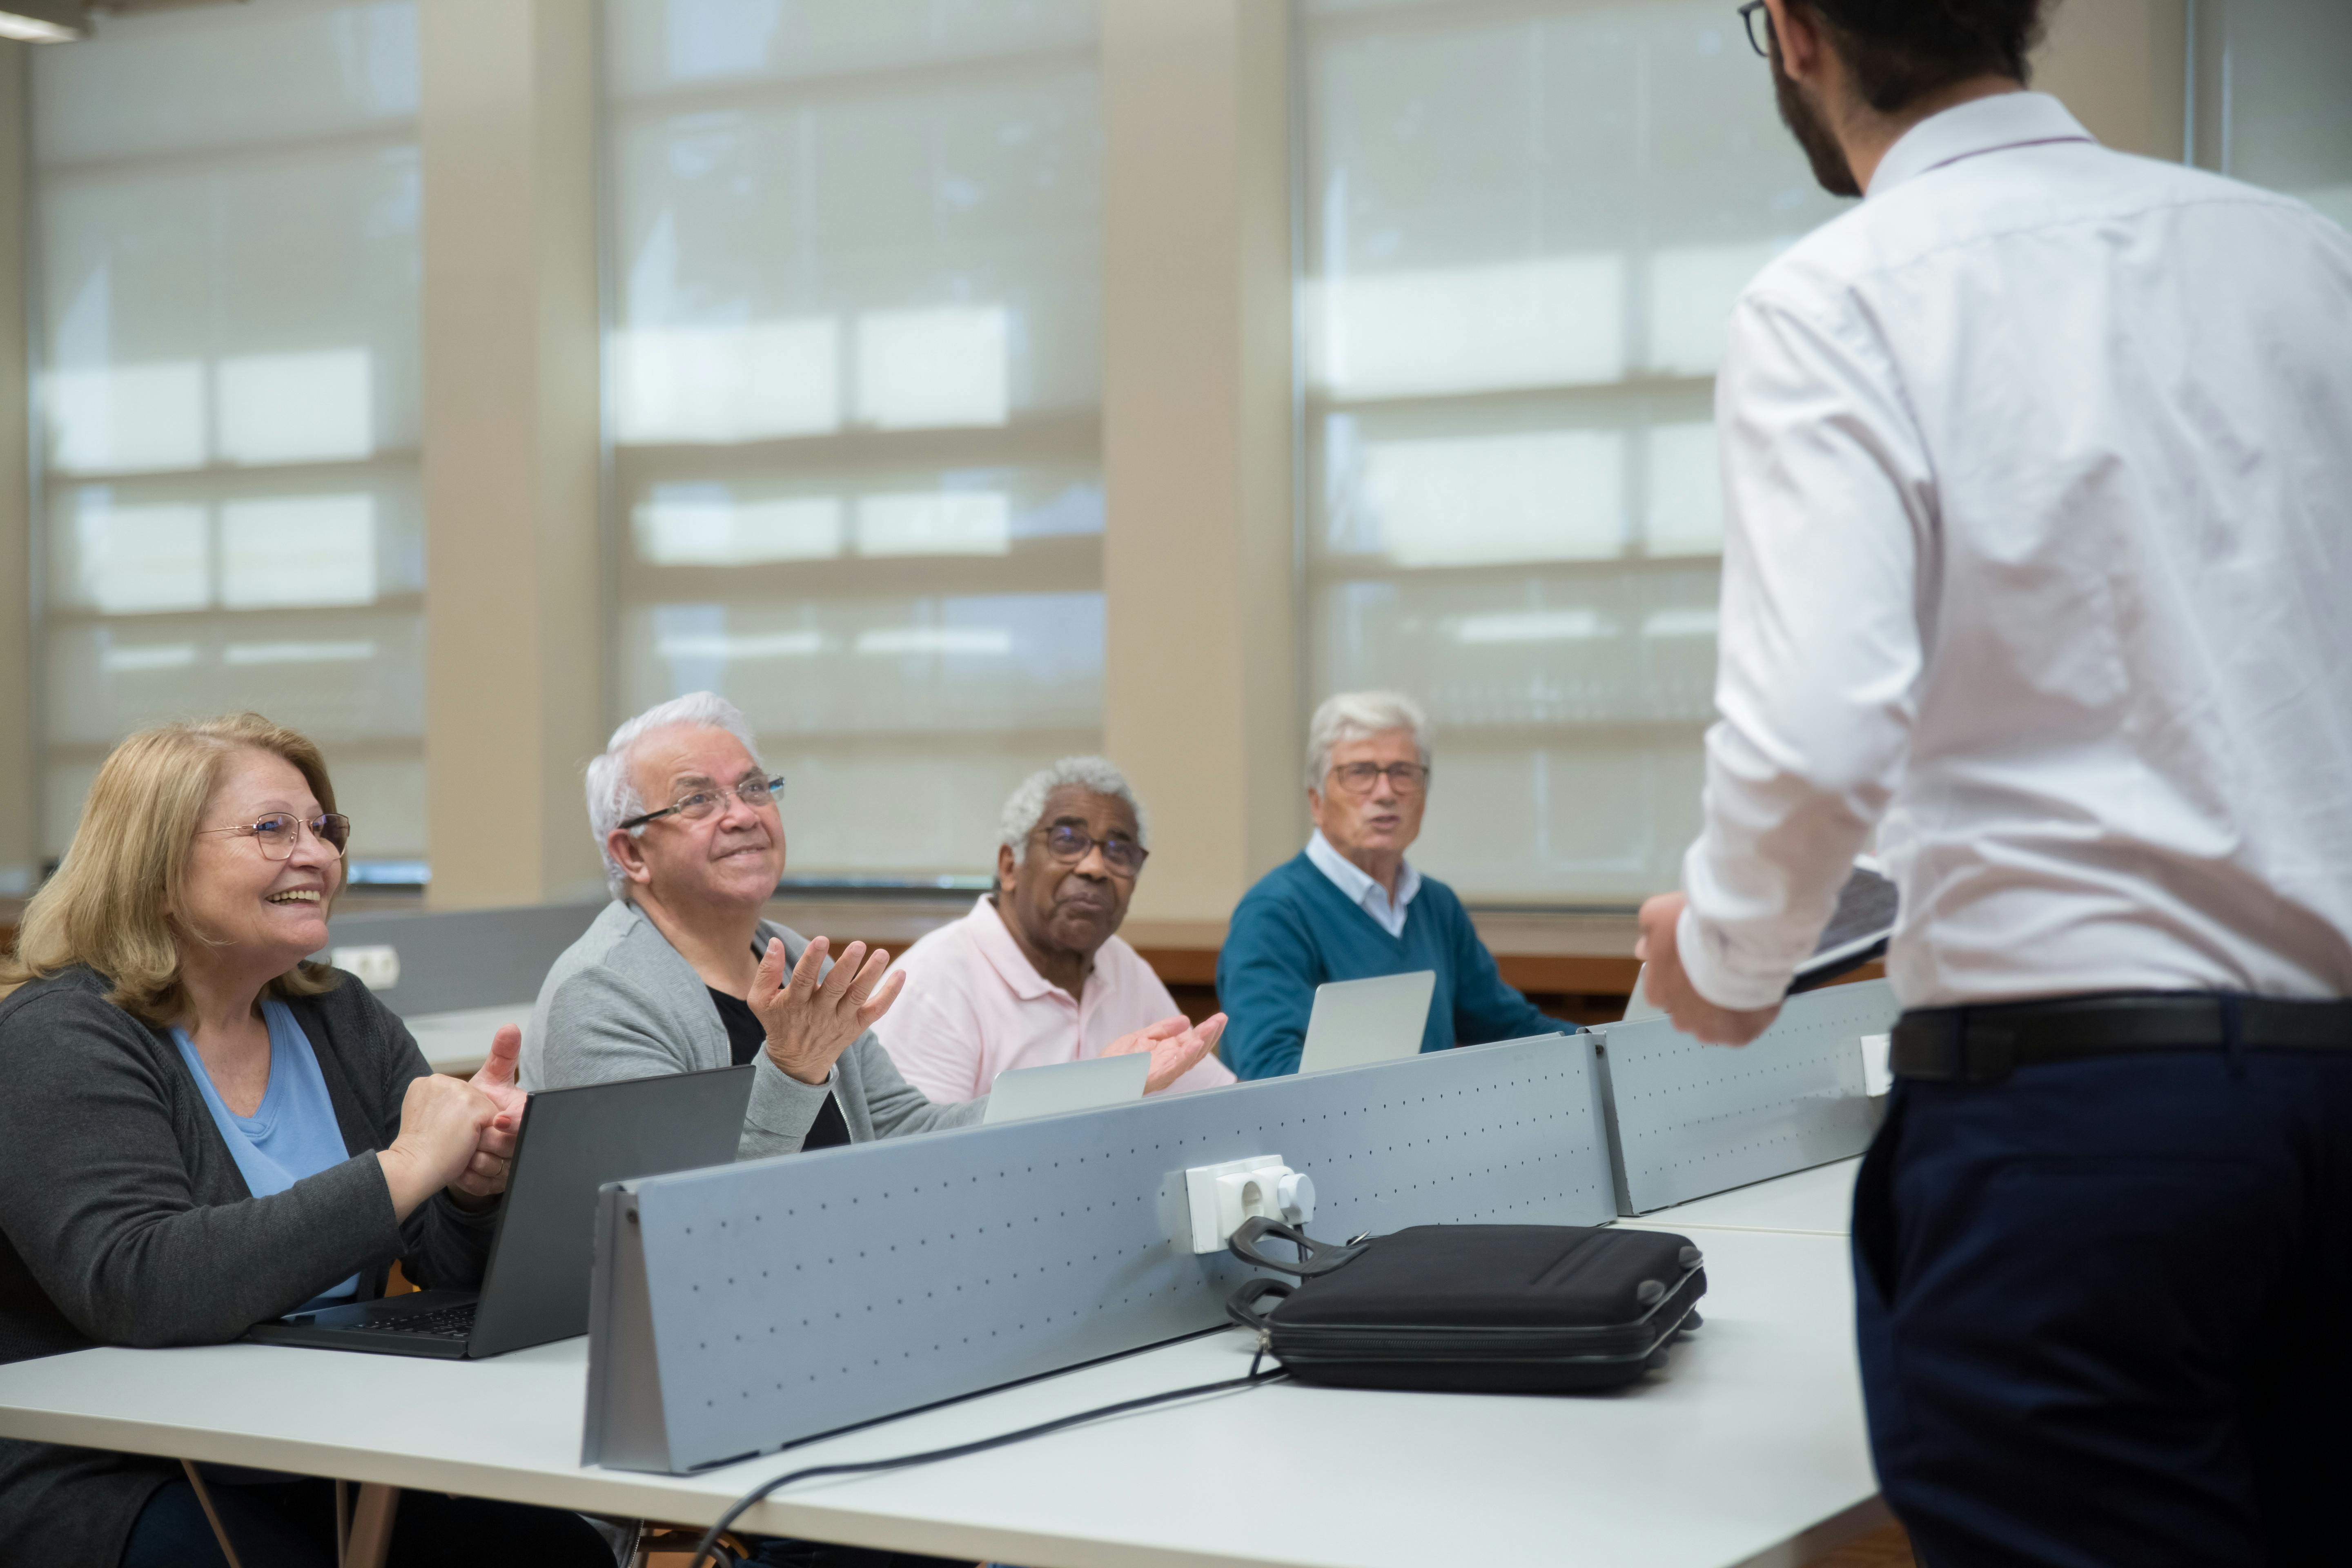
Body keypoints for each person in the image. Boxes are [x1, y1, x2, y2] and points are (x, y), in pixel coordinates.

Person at [1632, 3, 2352, 1563]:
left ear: (1791, 33)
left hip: (2078, 1140)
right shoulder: (2298, 261)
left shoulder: (1838, 298)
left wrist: (1725, 958)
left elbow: (1816, 735)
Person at [0, 714, 609, 1568]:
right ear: (157, 868)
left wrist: (470, 1188)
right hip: (112, 1466)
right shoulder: (58, 1036)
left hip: (312, 1441)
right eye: (272, 830)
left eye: (324, 828)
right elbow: (138, 1283)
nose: (318, 855)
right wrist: (401, 1169)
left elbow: (448, 1268)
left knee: (557, 1555)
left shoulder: (340, 1015)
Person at [523, 694, 1222, 1156]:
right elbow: (669, 1219)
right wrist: (794, 1071)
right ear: (631, 853)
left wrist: (1095, 1084)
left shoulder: (802, 964)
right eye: (698, 800)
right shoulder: (602, 995)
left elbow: (909, 1135)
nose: (743, 814)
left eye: (756, 787)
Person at [1217, 691, 1575, 1079]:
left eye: (1403, 772)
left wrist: (1605, 1046)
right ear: (1316, 802)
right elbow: (1268, 1073)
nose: (1386, 793)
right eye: (1360, 773)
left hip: (1434, 1130)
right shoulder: (1273, 913)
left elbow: (1511, 1029)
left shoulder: (1435, 904)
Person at [875, 757, 1235, 1102]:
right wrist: (1098, 1091)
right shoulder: (934, 983)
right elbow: (921, 1155)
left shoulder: (1124, 968)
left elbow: (1222, 1109)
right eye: (1067, 840)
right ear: (1009, 867)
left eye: (1119, 851)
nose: (1095, 868)